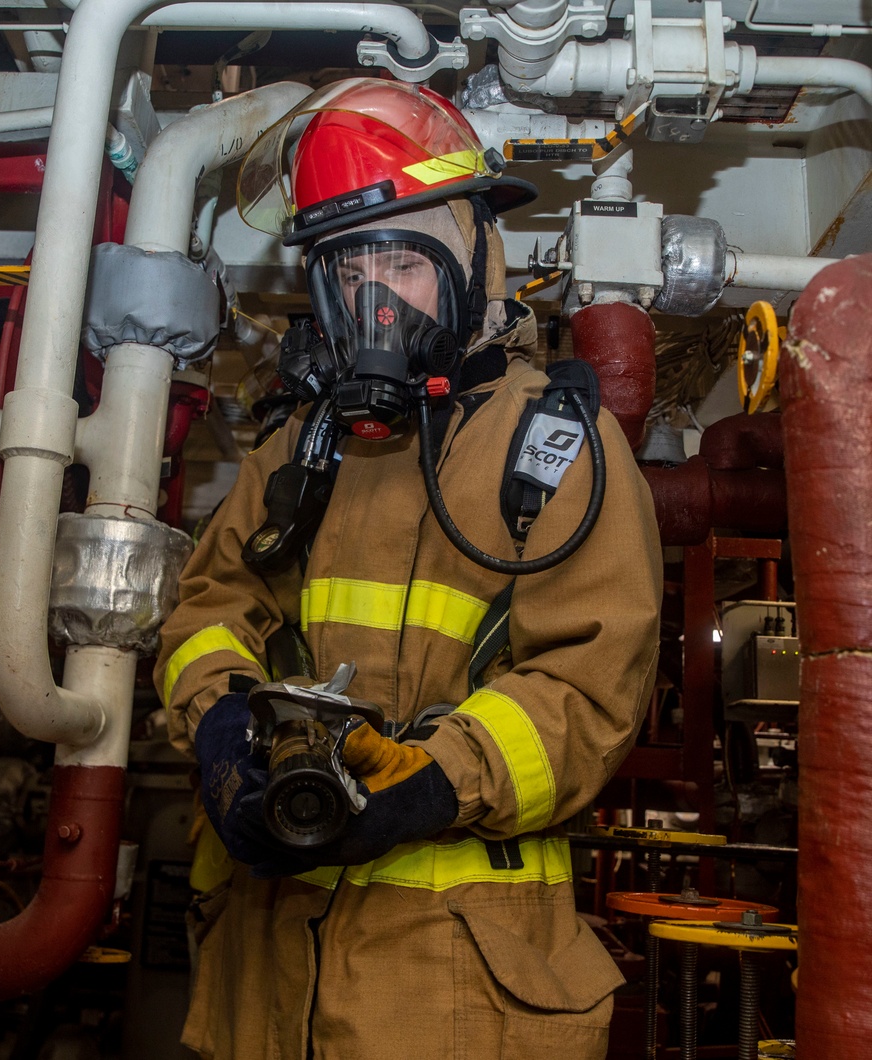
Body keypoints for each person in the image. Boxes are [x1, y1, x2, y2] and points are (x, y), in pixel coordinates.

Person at [154, 78, 662, 1060]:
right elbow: (206, 610)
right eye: (346, 271)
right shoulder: (295, 448)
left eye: (401, 261)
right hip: (265, 986)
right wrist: (222, 720)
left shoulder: (557, 453)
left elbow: (591, 688)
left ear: (473, 258)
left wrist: (431, 782)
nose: (371, 298)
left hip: (451, 997)